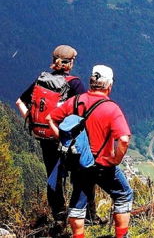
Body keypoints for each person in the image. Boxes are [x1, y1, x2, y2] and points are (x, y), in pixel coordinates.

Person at [47, 65, 133, 238]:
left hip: (79, 163)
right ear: (109, 85)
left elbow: (50, 119)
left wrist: (64, 141)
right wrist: (115, 160)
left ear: (91, 82)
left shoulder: (75, 101)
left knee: (77, 206)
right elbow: (123, 139)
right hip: (103, 164)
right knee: (123, 195)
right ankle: (121, 236)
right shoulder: (111, 108)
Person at [16, 45, 85, 231]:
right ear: (70, 63)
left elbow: (19, 101)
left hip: (45, 138)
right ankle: (80, 215)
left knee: (53, 177)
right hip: (65, 138)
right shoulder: (74, 83)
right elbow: (84, 111)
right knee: (79, 174)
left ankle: (59, 218)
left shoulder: (41, 80)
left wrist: (33, 124)